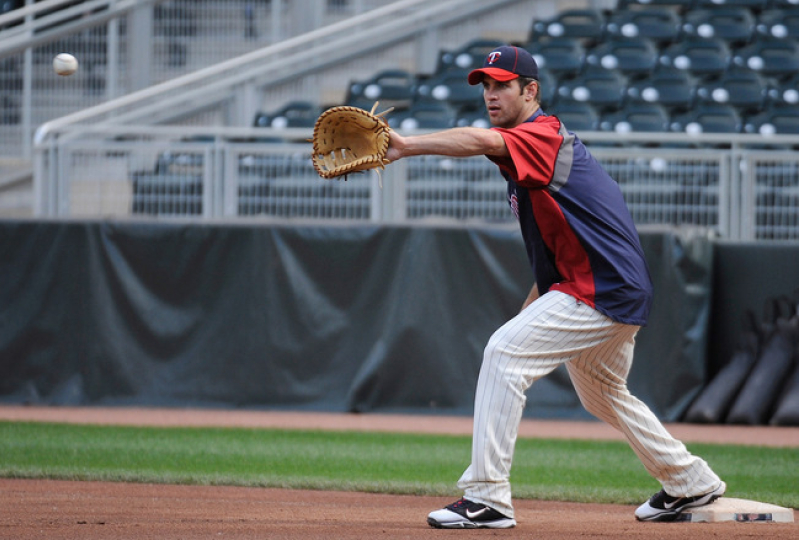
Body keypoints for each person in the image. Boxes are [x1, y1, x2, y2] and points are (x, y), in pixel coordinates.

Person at [385, 45, 726, 529]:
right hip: (606, 287)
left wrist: (406, 145)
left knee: (503, 354)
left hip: (602, 288)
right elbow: (555, 256)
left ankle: (487, 498)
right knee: (601, 392)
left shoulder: (543, 134)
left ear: (531, 91)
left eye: (502, 84)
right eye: (485, 85)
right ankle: (691, 482)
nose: (490, 94)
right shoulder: (528, 161)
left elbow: (480, 141)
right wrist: (528, 313)